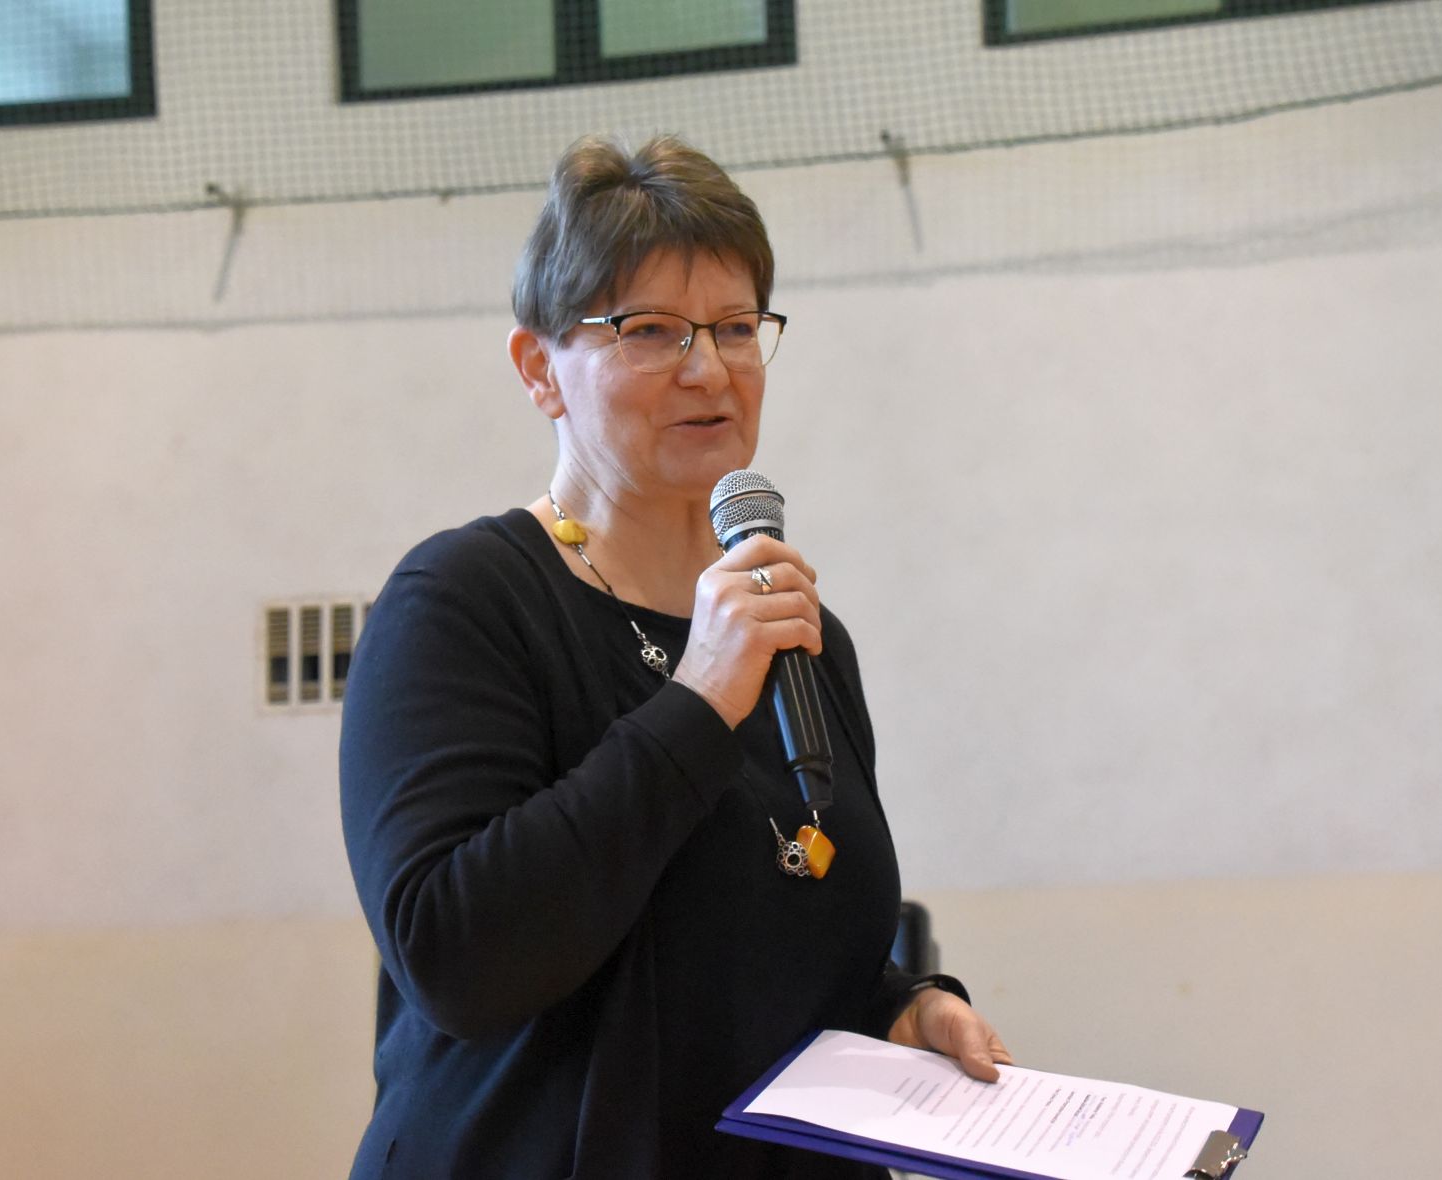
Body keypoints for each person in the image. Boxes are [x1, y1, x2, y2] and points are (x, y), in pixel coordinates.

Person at [339, 134, 1011, 1179]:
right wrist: (698, 701)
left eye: (737, 327)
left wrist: (898, 1005)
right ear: (539, 369)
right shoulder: (463, 602)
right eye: (650, 330)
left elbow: (773, 925)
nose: (710, 369)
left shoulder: (801, 633)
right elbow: (457, 959)